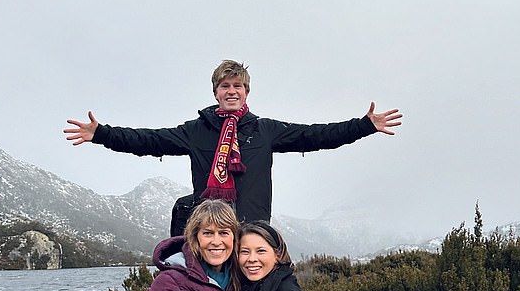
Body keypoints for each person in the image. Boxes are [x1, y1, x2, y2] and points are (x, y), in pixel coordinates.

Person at [64, 59, 402, 226]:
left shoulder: (265, 130)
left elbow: (316, 136)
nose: (231, 91)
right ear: (215, 93)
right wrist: (102, 134)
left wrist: (364, 126)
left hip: (254, 228)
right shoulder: (195, 131)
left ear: (246, 93)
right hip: (211, 228)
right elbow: (149, 140)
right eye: (225, 86)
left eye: (237, 86)